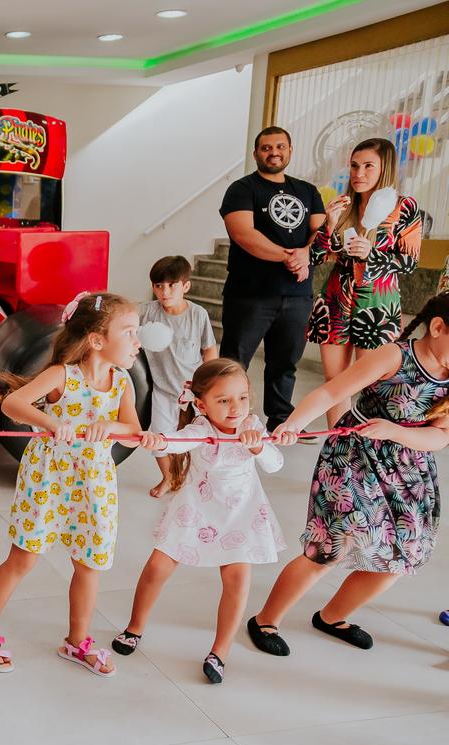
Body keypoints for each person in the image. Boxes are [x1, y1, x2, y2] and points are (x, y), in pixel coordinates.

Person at [248, 293, 449, 657]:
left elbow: (440, 435)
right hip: (354, 456)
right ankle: (265, 619)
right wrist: (293, 424)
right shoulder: (395, 355)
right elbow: (331, 392)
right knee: (331, 546)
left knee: (402, 557)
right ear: (438, 327)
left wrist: (395, 431)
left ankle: (331, 616)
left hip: (410, 468)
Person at [0, 292, 146, 678]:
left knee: (89, 561)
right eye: (129, 332)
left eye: (138, 333)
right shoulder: (62, 375)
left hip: (95, 481)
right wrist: (50, 423)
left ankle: (77, 640)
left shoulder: (122, 382)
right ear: (97, 340)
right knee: (24, 558)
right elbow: (12, 404)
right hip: (48, 477)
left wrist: (112, 426)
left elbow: (133, 431)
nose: (138, 341)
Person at [112, 359, 285, 683]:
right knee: (156, 569)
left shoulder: (252, 426)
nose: (236, 407)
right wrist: (158, 441)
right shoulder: (201, 429)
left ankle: (220, 652)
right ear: (201, 404)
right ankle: (135, 627)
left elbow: (275, 464)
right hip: (195, 510)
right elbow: (178, 440)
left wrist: (259, 445)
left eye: (242, 397)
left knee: (237, 582)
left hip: (240, 515)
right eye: (224, 400)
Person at [306, 138, 422, 428]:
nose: (359, 173)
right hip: (335, 297)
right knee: (335, 380)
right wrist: (329, 224)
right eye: (355, 165)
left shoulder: (403, 207)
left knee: (373, 382)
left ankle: (366, 452)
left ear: (385, 168)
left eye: (369, 166)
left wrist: (374, 254)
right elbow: (316, 257)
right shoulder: (343, 204)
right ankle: (337, 444)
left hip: (377, 302)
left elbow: (409, 262)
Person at [219, 126, 326, 431]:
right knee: (233, 363)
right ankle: (222, 423)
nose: (273, 152)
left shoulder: (307, 191)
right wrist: (293, 256)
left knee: (285, 364)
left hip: (297, 294)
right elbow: (244, 235)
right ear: (256, 154)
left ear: (290, 151)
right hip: (250, 293)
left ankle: (281, 420)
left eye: (280, 146)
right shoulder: (242, 189)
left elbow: (321, 232)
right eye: (266, 148)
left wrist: (307, 253)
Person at [139, 255, 217, 497]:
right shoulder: (146, 312)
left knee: (197, 437)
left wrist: (208, 385)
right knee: (159, 438)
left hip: (193, 391)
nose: (165, 292)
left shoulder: (198, 314)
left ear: (186, 286)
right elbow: (122, 317)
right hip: (162, 389)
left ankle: (197, 478)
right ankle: (169, 478)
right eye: (158, 285)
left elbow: (209, 349)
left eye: (172, 285)